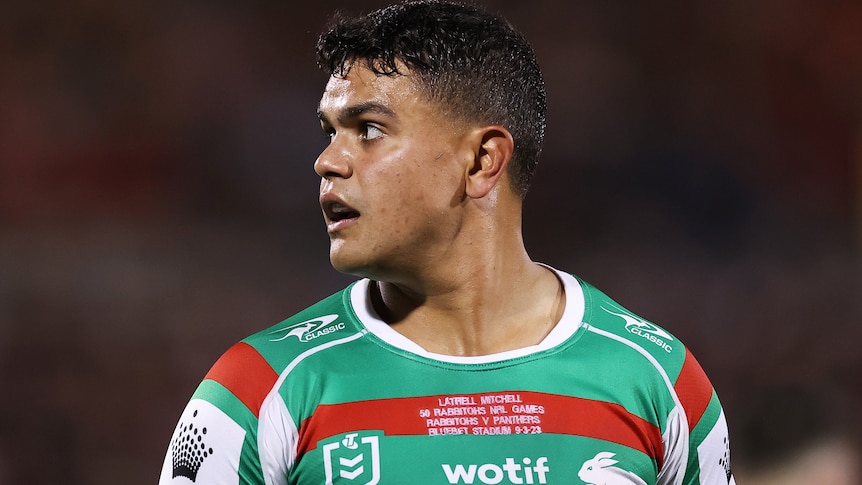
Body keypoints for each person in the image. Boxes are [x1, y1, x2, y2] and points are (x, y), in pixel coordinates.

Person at [159, 1, 735, 483]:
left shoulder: (658, 382)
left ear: (482, 161)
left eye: (369, 130)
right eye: (330, 133)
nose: (327, 162)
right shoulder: (257, 392)